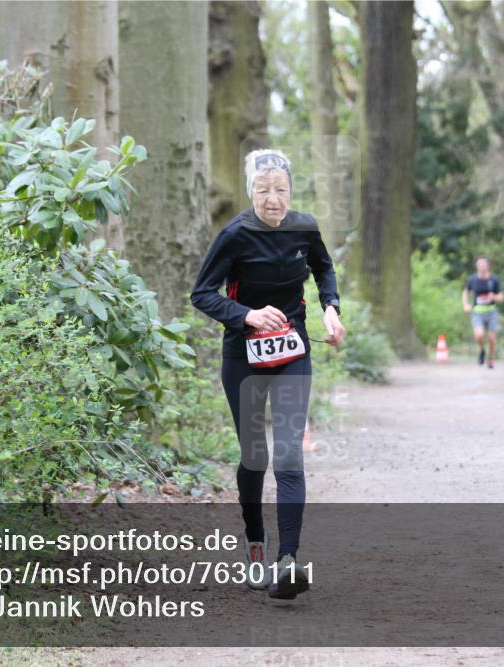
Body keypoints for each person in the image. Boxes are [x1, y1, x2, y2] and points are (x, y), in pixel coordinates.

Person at [190, 148, 344, 600]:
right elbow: (202, 293)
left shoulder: (304, 227)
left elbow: (323, 268)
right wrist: (247, 316)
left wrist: (330, 308)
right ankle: (256, 541)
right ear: (251, 192)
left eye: (280, 189)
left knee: (289, 455)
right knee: (255, 455)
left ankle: (288, 560)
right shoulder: (234, 234)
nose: (272, 199)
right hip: (244, 357)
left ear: (291, 191)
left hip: (293, 352)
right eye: (263, 190)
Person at [462, 257, 504, 369]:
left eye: (484, 264)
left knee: (492, 338)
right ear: (477, 266)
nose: (482, 266)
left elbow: (501, 297)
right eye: (480, 264)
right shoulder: (472, 279)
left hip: (491, 312)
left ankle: (490, 359)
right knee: (479, 335)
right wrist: (466, 304)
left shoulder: (494, 280)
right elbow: (466, 292)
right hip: (477, 312)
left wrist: (494, 296)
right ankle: (482, 350)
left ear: (488, 266)